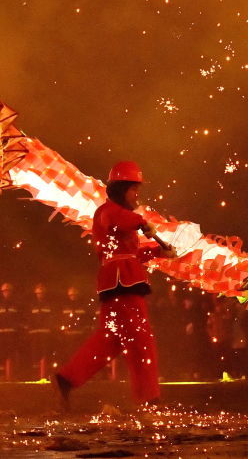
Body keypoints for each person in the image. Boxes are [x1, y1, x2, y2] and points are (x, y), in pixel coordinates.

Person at [52, 161, 175, 409]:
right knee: (141, 340)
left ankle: (67, 378)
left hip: (117, 281)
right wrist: (142, 223)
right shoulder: (108, 212)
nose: (137, 194)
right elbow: (122, 220)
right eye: (133, 189)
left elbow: (133, 254)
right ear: (120, 190)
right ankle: (149, 398)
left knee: (111, 339)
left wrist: (159, 252)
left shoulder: (120, 220)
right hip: (123, 282)